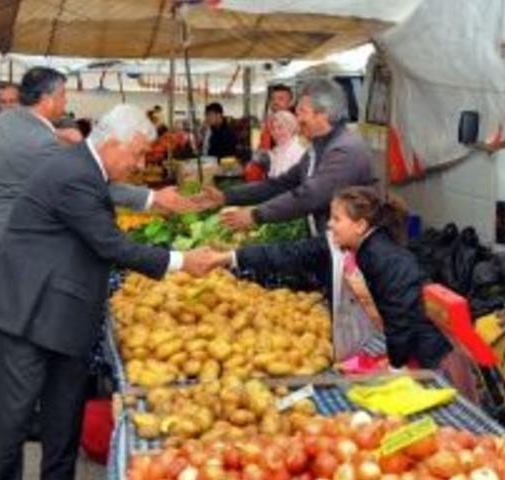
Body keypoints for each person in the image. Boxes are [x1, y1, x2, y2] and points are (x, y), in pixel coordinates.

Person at [0, 103, 217, 480]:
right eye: (137, 154)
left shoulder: (85, 166)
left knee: (63, 424)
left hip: (66, 314)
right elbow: (111, 245)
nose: (141, 164)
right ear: (112, 143)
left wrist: (153, 199)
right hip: (25, 313)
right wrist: (181, 261)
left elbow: (108, 192)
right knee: (11, 424)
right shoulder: (71, 172)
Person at [208, 187, 475, 397]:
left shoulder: (385, 256)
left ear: (360, 226)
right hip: (407, 351)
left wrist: (395, 366)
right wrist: (229, 258)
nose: (330, 225)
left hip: (432, 359)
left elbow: (402, 313)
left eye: (336, 219)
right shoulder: (357, 247)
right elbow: (288, 254)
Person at [0, 67, 195, 278]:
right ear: (48, 99)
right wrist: (152, 197)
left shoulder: (5, 122)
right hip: (19, 252)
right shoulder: (42, 143)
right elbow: (86, 183)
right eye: (63, 95)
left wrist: (57, 133)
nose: (65, 101)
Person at [194, 78, 374, 236]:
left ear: (323, 115)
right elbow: (281, 184)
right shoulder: (317, 148)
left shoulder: (345, 151)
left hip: (348, 253)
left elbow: (309, 196)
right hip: (326, 241)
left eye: (302, 112)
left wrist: (256, 215)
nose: (297, 118)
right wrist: (226, 196)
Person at [264, 110, 307, 178]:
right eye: (273, 129)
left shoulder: (299, 151)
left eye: (280, 127)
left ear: (291, 128)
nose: (276, 132)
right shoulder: (276, 151)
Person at [258, 84, 295, 150]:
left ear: (291, 102)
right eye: (273, 99)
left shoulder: (296, 124)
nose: (275, 102)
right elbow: (262, 148)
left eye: (281, 99)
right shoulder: (268, 123)